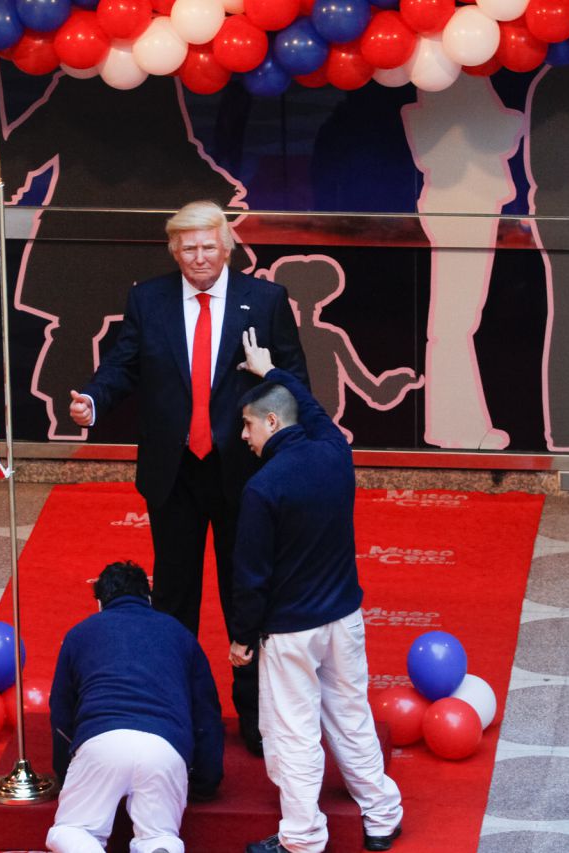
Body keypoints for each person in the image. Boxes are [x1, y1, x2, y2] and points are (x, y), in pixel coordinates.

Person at [69, 200, 308, 754]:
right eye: (188, 248)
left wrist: (284, 443)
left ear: (226, 247)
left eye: (209, 246)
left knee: (245, 598)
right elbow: (122, 365)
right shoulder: (148, 299)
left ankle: (254, 719)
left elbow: (293, 380)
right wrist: (94, 404)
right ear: (174, 251)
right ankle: (173, 713)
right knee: (173, 599)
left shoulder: (265, 300)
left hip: (245, 475)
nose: (199, 257)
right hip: (173, 473)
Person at [228, 329, 403, 853]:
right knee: (352, 716)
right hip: (345, 619)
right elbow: (312, 407)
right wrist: (273, 374)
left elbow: (250, 577)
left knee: (293, 735)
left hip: (291, 632)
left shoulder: (262, 488)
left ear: (272, 422)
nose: (244, 435)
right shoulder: (335, 451)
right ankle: (383, 817)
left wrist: (241, 637)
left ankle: (302, 839)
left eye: (248, 423)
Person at [47, 560, 225, 853]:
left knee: (71, 830)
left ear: (100, 604)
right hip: (165, 747)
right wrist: (206, 780)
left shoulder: (79, 633)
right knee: (159, 838)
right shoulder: (179, 633)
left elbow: (61, 714)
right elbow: (206, 713)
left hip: (101, 741)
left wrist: (66, 773)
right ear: (149, 597)